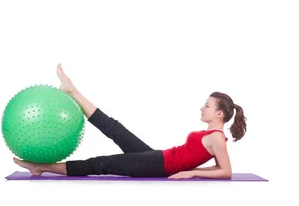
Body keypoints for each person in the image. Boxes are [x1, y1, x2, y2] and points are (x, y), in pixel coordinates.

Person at [13, 64, 247, 179]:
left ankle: (41, 167)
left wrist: (191, 173)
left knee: (102, 163)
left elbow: (225, 171)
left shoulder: (217, 138)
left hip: (158, 166)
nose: (201, 108)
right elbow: (216, 167)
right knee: (116, 129)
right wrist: (192, 169)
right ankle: (72, 90)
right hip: (159, 157)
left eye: (207, 106)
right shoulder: (211, 136)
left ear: (219, 114)